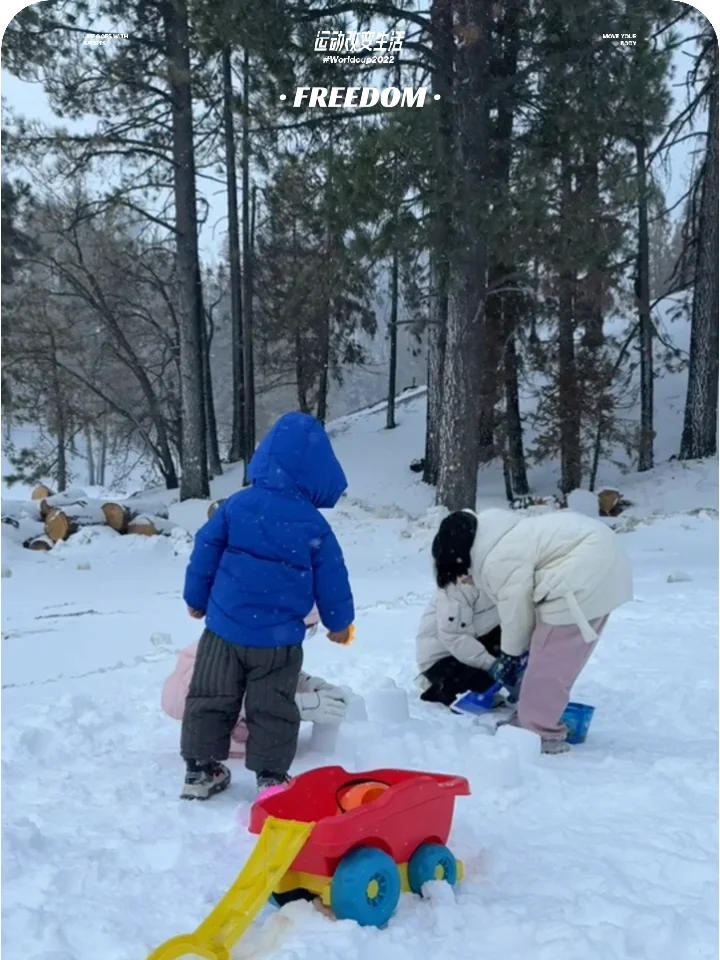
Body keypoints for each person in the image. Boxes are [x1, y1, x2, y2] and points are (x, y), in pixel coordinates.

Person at [180, 411, 355, 800]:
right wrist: (338, 623)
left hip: (224, 630)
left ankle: (200, 769)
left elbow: (205, 549)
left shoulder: (236, 505)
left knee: (210, 695)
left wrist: (196, 598)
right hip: (277, 641)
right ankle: (272, 778)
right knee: (272, 704)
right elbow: (333, 578)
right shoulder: (313, 525)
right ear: (318, 471)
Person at [430, 506, 633, 753]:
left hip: (579, 577)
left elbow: (516, 613)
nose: (465, 580)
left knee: (548, 661)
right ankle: (532, 718)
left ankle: (538, 731)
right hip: (599, 570)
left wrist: (510, 655)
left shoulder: (497, 559)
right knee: (554, 657)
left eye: (461, 574)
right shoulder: (500, 537)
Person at [162, 608, 350, 757]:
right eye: (302, 628)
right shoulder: (226, 649)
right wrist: (298, 706)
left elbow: (274, 674)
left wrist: (310, 685)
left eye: (309, 630)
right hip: (214, 747)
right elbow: (215, 697)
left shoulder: (268, 644)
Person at [415, 515, 503, 706]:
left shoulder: (490, 567)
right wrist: (493, 666)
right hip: (442, 657)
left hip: (476, 640)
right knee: (480, 685)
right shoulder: (456, 585)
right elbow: (454, 636)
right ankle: (438, 686)